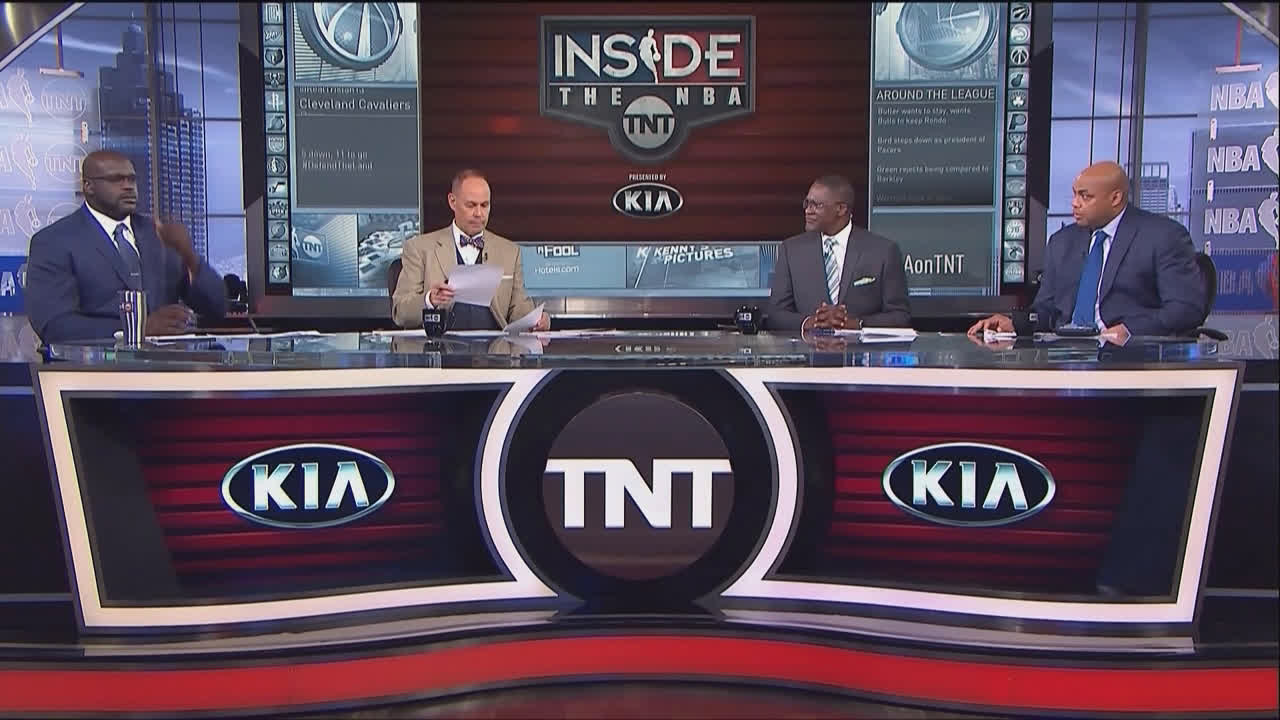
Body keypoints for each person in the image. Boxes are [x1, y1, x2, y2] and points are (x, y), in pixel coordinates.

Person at [969, 161, 1204, 342]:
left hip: (1128, 359)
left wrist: (1130, 330)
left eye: (1085, 196)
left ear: (1115, 198)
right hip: (1065, 356)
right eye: (1074, 194)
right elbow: (1048, 311)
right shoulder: (1062, 242)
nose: (1075, 203)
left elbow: (1185, 309)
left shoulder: (1162, 236)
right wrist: (1015, 324)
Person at [25, 150, 226, 344]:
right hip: (95, 365)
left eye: (132, 179)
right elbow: (55, 327)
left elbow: (217, 307)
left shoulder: (159, 235)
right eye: (116, 180)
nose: (128, 187)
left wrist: (189, 255)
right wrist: (138, 328)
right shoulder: (54, 241)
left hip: (167, 363)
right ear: (88, 186)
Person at [392, 169, 549, 331]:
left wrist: (538, 320)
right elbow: (401, 312)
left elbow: (520, 311)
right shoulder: (419, 249)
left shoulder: (510, 252)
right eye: (471, 205)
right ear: (452, 202)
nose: (479, 213)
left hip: (495, 346)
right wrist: (429, 300)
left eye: (484, 205)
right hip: (439, 345)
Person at [767, 174, 911, 330]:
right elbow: (776, 315)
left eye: (817, 205)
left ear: (841, 209)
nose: (808, 211)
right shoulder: (791, 250)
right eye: (807, 203)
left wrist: (857, 324)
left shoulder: (883, 251)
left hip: (860, 345)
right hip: (809, 345)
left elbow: (900, 316)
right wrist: (812, 322)